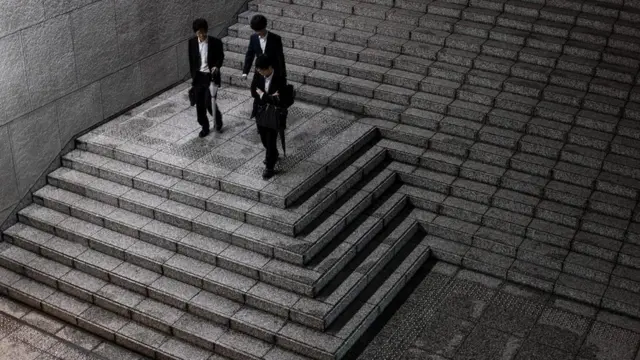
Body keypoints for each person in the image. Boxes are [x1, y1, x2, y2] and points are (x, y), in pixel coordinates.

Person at [251, 55, 288, 179]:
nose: (260, 72)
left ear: (270, 68)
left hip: (274, 115)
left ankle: (269, 167)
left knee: (271, 139)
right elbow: (253, 91)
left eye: (262, 70)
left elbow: (279, 100)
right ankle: (274, 154)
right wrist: (269, 97)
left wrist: (263, 95)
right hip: (261, 112)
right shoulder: (258, 75)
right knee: (264, 139)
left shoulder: (280, 79)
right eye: (259, 70)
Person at [188, 18, 224, 137]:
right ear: (195, 33)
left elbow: (220, 57)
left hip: (210, 77)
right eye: (199, 33)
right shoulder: (192, 42)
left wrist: (216, 67)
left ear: (207, 30)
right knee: (199, 104)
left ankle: (218, 121)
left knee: (209, 102)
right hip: (198, 77)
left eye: (203, 32)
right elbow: (191, 60)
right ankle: (205, 126)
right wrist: (193, 75)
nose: (202, 35)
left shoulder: (216, 42)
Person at [242, 15, 286, 81]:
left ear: (264, 27)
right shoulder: (253, 38)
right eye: (256, 31)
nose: (258, 33)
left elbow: (280, 57)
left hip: (272, 72)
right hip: (259, 72)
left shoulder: (275, 39)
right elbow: (249, 55)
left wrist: (283, 74)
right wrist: (245, 72)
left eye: (260, 30)